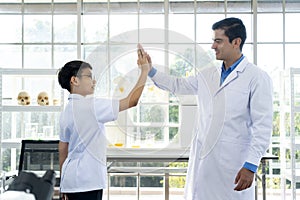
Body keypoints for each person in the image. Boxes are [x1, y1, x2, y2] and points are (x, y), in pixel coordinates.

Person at [140, 17, 273, 199]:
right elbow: (178, 85)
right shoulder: (208, 75)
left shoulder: (256, 77)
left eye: (218, 41)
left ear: (236, 42)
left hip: (233, 165)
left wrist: (251, 165)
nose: (213, 46)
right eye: (213, 41)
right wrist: (151, 70)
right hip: (205, 164)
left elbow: (263, 127)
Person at [57, 49, 150, 200]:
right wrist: (144, 71)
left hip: (71, 181)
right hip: (88, 182)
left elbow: (63, 148)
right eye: (89, 77)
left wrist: (64, 183)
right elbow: (131, 101)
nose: (93, 81)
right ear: (74, 80)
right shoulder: (92, 106)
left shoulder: (66, 111)